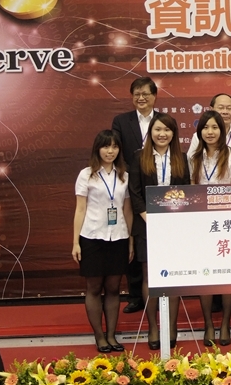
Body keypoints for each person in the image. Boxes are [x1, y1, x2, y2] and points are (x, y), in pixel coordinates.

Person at [128, 113, 190, 350]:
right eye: (157, 130)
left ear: (173, 133)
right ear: (150, 133)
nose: (162, 134)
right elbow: (134, 192)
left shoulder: (181, 158)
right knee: (149, 276)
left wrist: (171, 220)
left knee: (173, 277)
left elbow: (186, 191)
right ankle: (153, 327)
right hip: (146, 225)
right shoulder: (139, 157)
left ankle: (171, 327)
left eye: (167, 130)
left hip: (174, 227)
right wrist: (149, 217)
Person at [188, 93, 231, 313]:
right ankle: (211, 309)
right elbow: (192, 186)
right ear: (200, 131)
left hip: (227, 217)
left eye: (215, 128)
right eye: (206, 128)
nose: (210, 132)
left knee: (228, 263)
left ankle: (228, 308)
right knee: (206, 262)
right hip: (202, 219)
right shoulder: (195, 157)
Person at [72, 130, 134, 353]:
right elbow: (80, 209)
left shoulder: (124, 175)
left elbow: (127, 210)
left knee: (114, 288)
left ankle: (111, 336)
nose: (110, 151)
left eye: (115, 147)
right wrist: (75, 242)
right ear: (97, 149)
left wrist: (130, 240)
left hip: (118, 236)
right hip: (92, 237)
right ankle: (99, 336)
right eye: (106, 146)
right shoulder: (86, 174)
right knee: (94, 288)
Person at [111, 77, 158, 314]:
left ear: (154, 96)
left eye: (145, 94)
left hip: (159, 188)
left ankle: (159, 294)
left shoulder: (163, 121)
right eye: (136, 94)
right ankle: (136, 296)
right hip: (130, 187)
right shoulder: (121, 121)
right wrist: (133, 175)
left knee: (156, 244)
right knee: (133, 237)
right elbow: (117, 152)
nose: (141, 98)